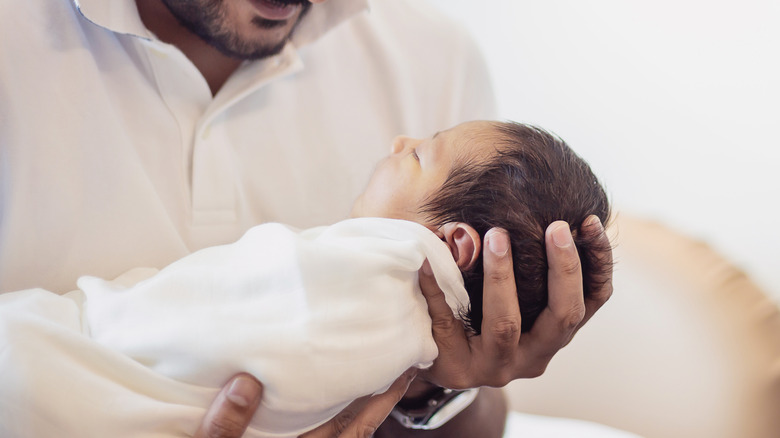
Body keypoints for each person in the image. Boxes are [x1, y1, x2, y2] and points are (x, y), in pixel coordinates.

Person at [0, 0, 614, 436]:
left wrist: (433, 386)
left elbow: (476, 426)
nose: (400, 143)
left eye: (420, 151)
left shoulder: (434, 57)